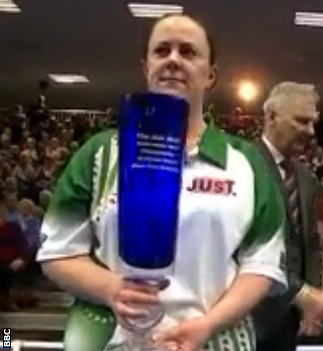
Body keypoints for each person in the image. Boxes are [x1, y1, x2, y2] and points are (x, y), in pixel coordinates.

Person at [37, 14, 287, 351]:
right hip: (115, 341)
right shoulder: (100, 154)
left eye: (188, 52)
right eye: (162, 51)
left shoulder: (245, 162)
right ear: (146, 67)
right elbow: (57, 251)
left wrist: (208, 324)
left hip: (212, 340)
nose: (173, 60)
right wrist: (110, 288)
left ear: (210, 75)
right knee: (8, 342)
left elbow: (263, 263)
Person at [254, 82, 323, 351]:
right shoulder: (243, 165)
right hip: (250, 314)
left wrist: (314, 297)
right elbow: (242, 247)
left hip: (290, 322)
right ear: (271, 117)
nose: (311, 131)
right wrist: (299, 293)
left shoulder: (305, 177)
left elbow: (311, 244)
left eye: (313, 123)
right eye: (302, 121)